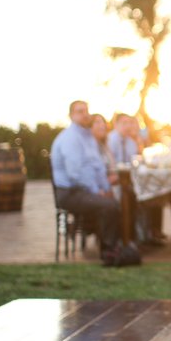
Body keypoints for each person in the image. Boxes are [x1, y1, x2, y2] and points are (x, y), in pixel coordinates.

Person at [49, 100, 123, 263]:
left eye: (86, 111)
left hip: (83, 190)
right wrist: (97, 191)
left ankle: (115, 246)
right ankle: (109, 252)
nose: (85, 114)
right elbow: (75, 174)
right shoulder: (70, 138)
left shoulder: (87, 137)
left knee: (114, 201)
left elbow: (97, 168)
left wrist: (105, 187)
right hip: (69, 193)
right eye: (80, 111)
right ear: (71, 115)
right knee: (109, 205)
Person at [90, 113, 120, 198]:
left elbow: (112, 167)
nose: (102, 125)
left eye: (103, 122)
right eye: (97, 122)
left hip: (109, 182)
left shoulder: (104, 145)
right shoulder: (88, 147)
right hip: (98, 186)